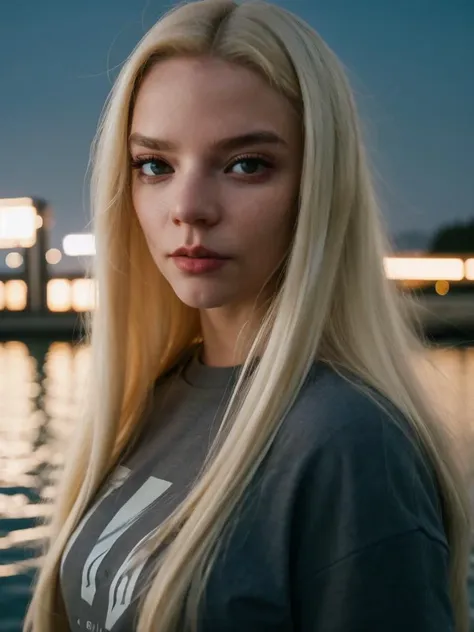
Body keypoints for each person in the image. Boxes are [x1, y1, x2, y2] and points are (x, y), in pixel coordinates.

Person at [25, 1, 471, 631]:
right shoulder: (154, 396)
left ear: (319, 184)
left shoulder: (348, 445)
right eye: (155, 165)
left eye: (245, 165)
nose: (189, 208)